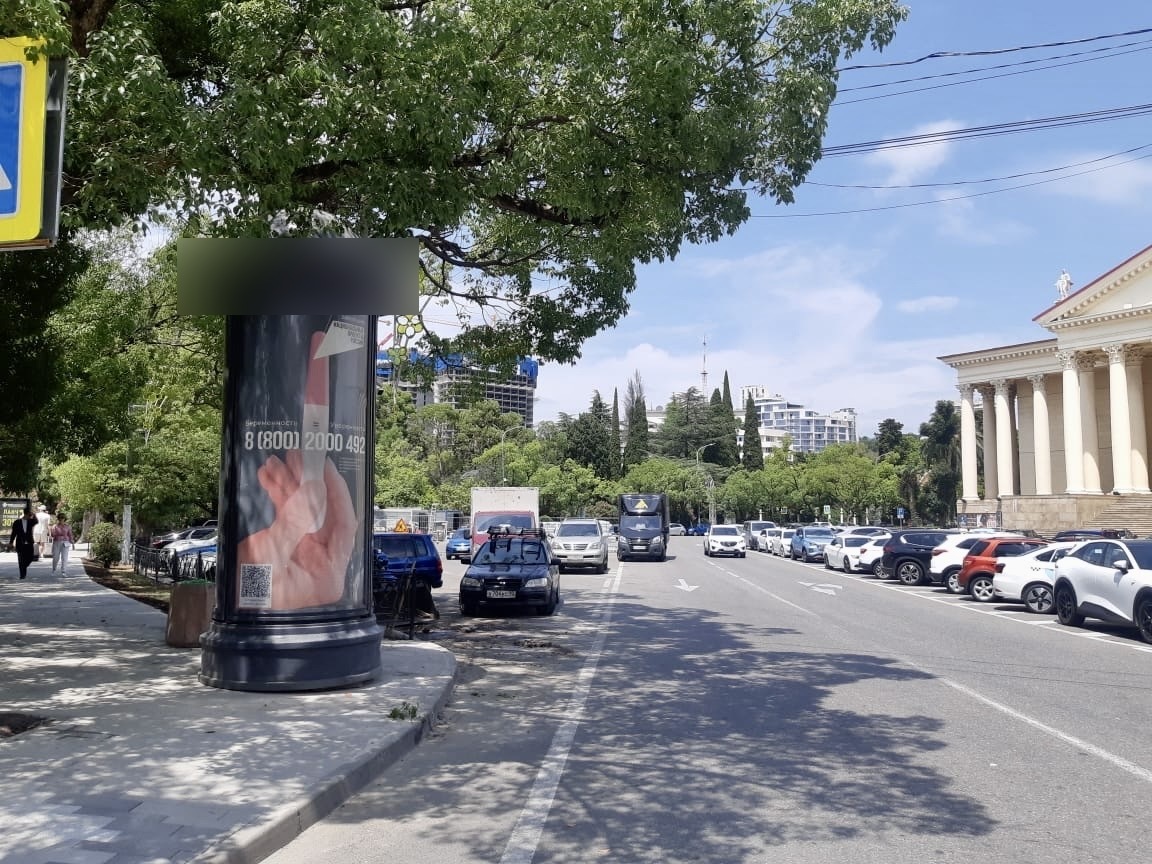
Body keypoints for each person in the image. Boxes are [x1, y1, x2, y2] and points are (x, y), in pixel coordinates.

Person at [8, 506, 38, 580]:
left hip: (29, 542)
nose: (30, 516)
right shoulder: (17, 522)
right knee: (21, 559)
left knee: (30, 557)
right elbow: (13, 533)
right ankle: (22, 575)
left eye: (30, 515)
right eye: (29, 515)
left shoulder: (30, 521)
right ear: (25, 514)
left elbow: (36, 521)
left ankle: (24, 566)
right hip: (20, 543)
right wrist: (11, 542)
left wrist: (34, 514)